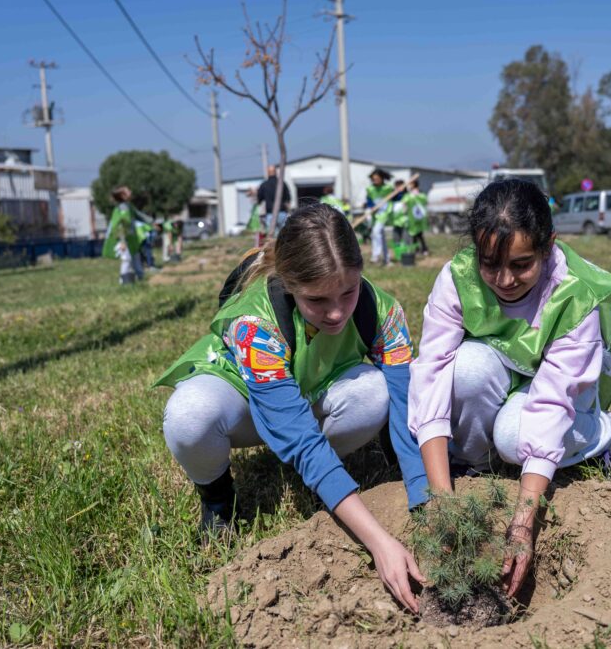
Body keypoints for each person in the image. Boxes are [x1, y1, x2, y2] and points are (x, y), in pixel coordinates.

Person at [155, 203, 429, 612]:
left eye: (348, 292)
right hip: (244, 404)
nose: (336, 312)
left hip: (313, 393)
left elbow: (408, 408)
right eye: (317, 299)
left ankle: (321, 475)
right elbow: (299, 435)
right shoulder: (256, 323)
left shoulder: (382, 311)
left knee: (376, 393)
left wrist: (424, 502)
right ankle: (218, 499)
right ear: (288, 284)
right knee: (189, 415)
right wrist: (380, 542)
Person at [408, 179, 611, 599]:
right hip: (507, 372)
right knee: (465, 370)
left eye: (521, 265)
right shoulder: (457, 278)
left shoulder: (574, 297)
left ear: (548, 246)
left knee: (515, 438)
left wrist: (522, 523)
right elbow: (431, 375)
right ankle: (481, 466)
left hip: (562, 390)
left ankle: (605, 435)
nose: (503, 279)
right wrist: (443, 502)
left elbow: (552, 403)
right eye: (490, 264)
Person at [102, 186, 146, 282]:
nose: (131, 191)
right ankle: (124, 280)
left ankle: (140, 277)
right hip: (122, 237)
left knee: (135, 256)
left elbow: (138, 215)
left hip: (130, 238)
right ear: (123, 195)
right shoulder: (122, 208)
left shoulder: (128, 206)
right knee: (126, 259)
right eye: (128, 191)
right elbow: (120, 225)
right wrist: (122, 241)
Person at [365, 168, 394, 265]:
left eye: (377, 178)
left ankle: (375, 255)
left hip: (384, 213)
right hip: (375, 214)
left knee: (376, 232)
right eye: (373, 179)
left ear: (382, 178)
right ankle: (387, 259)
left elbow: (397, 197)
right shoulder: (370, 189)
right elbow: (369, 201)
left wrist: (400, 192)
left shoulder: (388, 188)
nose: (375, 181)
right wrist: (371, 207)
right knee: (380, 237)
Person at [256, 165, 289, 236]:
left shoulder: (264, 185)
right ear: (276, 172)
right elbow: (288, 198)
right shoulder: (282, 183)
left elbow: (259, 199)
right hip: (282, 213)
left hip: (270, 214)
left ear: (268, 173)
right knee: (284, 235)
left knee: (273, 237)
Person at [404, 179, 430, 256]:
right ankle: (417, 250)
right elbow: (405, 202)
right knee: (414, 235)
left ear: (415, 184)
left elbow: (424, 201)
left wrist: (417, 195)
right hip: (412, 218)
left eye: (411, 184)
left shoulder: (419, 193)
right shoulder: (409, 194)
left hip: (419, 217)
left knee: (419, 235)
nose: (409, 185)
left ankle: (424, 249)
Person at [389, 179, 410, 249]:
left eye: (400, 186)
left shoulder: (406, 195)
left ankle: (407, 253)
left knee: (406, 238)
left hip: (405, 222)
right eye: (396, 187)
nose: (398, 188)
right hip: (396, 222)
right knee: (396, 239)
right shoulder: (393, 197)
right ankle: (399, 254)